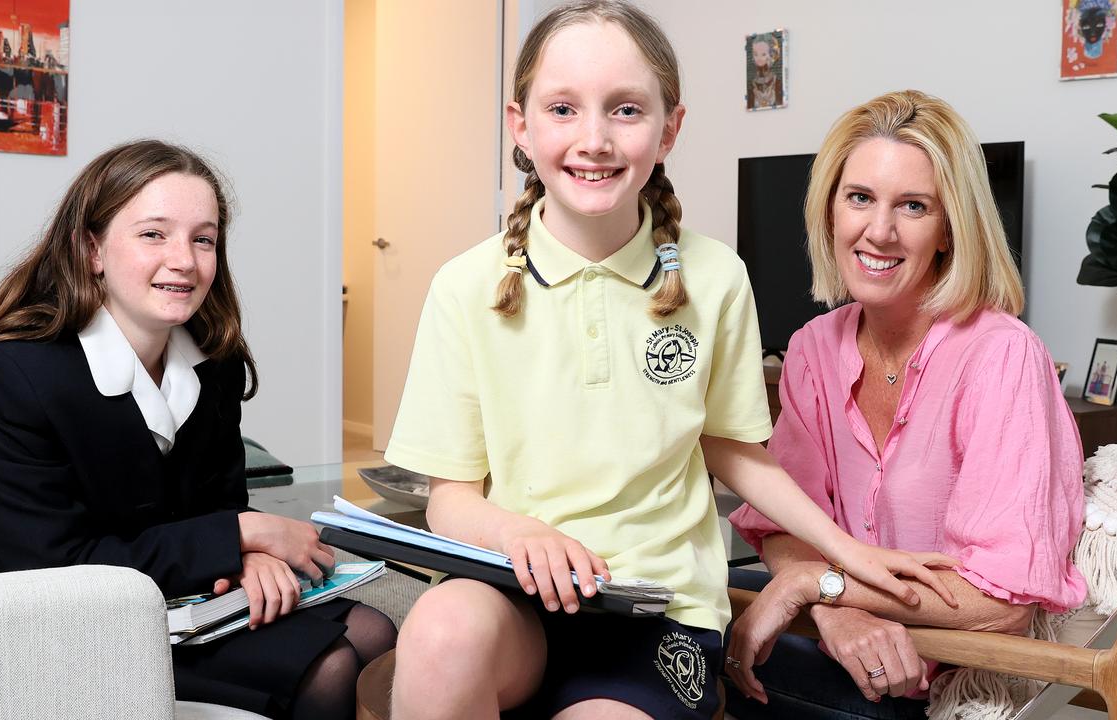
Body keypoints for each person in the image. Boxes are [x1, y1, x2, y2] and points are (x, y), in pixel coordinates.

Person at [385, 5, 960, 720]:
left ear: (670, 128)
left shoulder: (715, 277)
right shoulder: (464, 288)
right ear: (521, 126)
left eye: (625, 109)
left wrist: (847, 551)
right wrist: (518, 533)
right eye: (563, 108)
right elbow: (449, 499)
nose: (594, 139)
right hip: (513, 601)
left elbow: (730, 447)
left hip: (656, 615)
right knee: (437, 633)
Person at [0, 140, 396, 720]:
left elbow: (220, 507)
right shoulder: (8, 375)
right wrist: (239, 538)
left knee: (374, 630)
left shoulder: (213, 363)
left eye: (203, 238)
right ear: (91, 248)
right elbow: (62, 566)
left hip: (172, 598)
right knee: (331, 665)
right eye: (154, 234)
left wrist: (248, 554)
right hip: (57, 627)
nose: (185, 260)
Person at [723, 90, 1087, 719]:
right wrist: (835, 614)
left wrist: (821, 585)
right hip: (841, 640)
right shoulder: (812, 348)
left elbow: (1003, 599)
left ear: (950, 229)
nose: (879, 230)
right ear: (829, 209)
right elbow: (782, 523)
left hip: (939, 667)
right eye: (859, 197)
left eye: (913, 206)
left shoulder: (1003, 355)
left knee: (700, 664)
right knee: (677, 630)